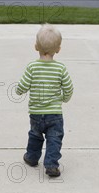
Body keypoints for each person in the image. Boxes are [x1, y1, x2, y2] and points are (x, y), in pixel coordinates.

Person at [16, 24, 74, 177]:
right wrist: (64, 99)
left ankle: (32, 157)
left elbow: (22, 85)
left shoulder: (32, 67)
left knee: (35, 135)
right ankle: (51, 165)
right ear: (58, 49)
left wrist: (19, 90)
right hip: (54, 114)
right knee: (54, 138)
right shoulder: (60, 69)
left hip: (36, 113)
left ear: (36, 47)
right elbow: (69, 88)